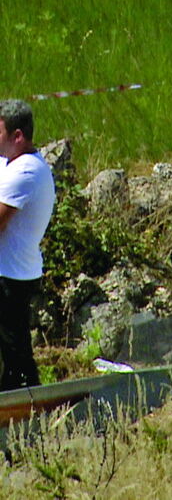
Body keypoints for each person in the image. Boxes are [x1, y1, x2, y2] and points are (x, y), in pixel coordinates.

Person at [0, 99, 55, 391]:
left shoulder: (26, 171)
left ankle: (26, 410)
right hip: (12, 271)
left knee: (16, 355)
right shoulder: (11, 163)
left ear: (17, 136)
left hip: (10, 275)